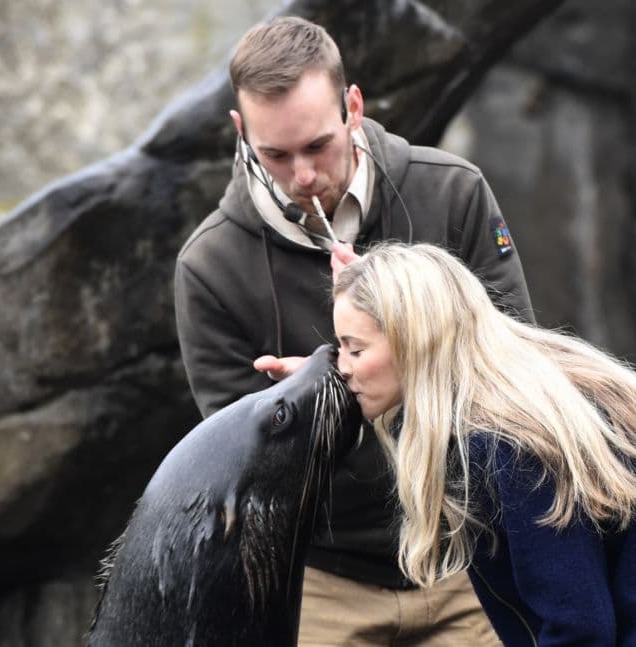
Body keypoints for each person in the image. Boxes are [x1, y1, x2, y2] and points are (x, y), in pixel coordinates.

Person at [174, 15, 533, 645]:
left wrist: (395, 332)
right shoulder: (209, 268)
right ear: (240, 131)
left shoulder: (452, 193)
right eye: (275, 155)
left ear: (353, 107)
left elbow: (520, 376)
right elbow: (243, 477)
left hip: (468, 559)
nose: (303, 175)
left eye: (317, 146)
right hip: (322, 581)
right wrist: (317, 406)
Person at [332, 242, 636, 646]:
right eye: (339, 347)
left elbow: (578, 628)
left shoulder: (507, 442)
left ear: (412, 340)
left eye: (356, 348)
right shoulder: (528, 381)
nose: (342, 367)